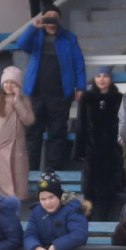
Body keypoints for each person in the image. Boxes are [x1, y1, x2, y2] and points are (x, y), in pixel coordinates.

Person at [19, 9, 88, 173]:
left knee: (57, 133)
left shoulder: (69, 38)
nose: (51, 21)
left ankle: (52, 171)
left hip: (60, 94)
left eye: (55, 17)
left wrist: (81, 87)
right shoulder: (36, 35)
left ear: (60, 19)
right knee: (33, 133)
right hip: (35, 93)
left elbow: (79, 64)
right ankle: (31, 171)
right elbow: (22, 44)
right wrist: (33, 27)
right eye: (48, 17)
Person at [0, 65, 35, 200]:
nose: (9, 85)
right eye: (6, 82)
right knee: (0, 187)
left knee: (17, 187)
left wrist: (17, 101)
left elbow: (29, 120)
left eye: (13, 83)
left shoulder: (24, 101)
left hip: (18, 152)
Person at [76, 67, 126, 217]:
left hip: (112, 150)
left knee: (109, 188)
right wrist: (80, 150)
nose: (102, 79)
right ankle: (88, 220)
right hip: (92, 150)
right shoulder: (87, 98)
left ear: (110, 79)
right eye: (98, 76)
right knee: (90, 188)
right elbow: (81, 125)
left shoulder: (119, 98)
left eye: (105, 76)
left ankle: (106, 218)